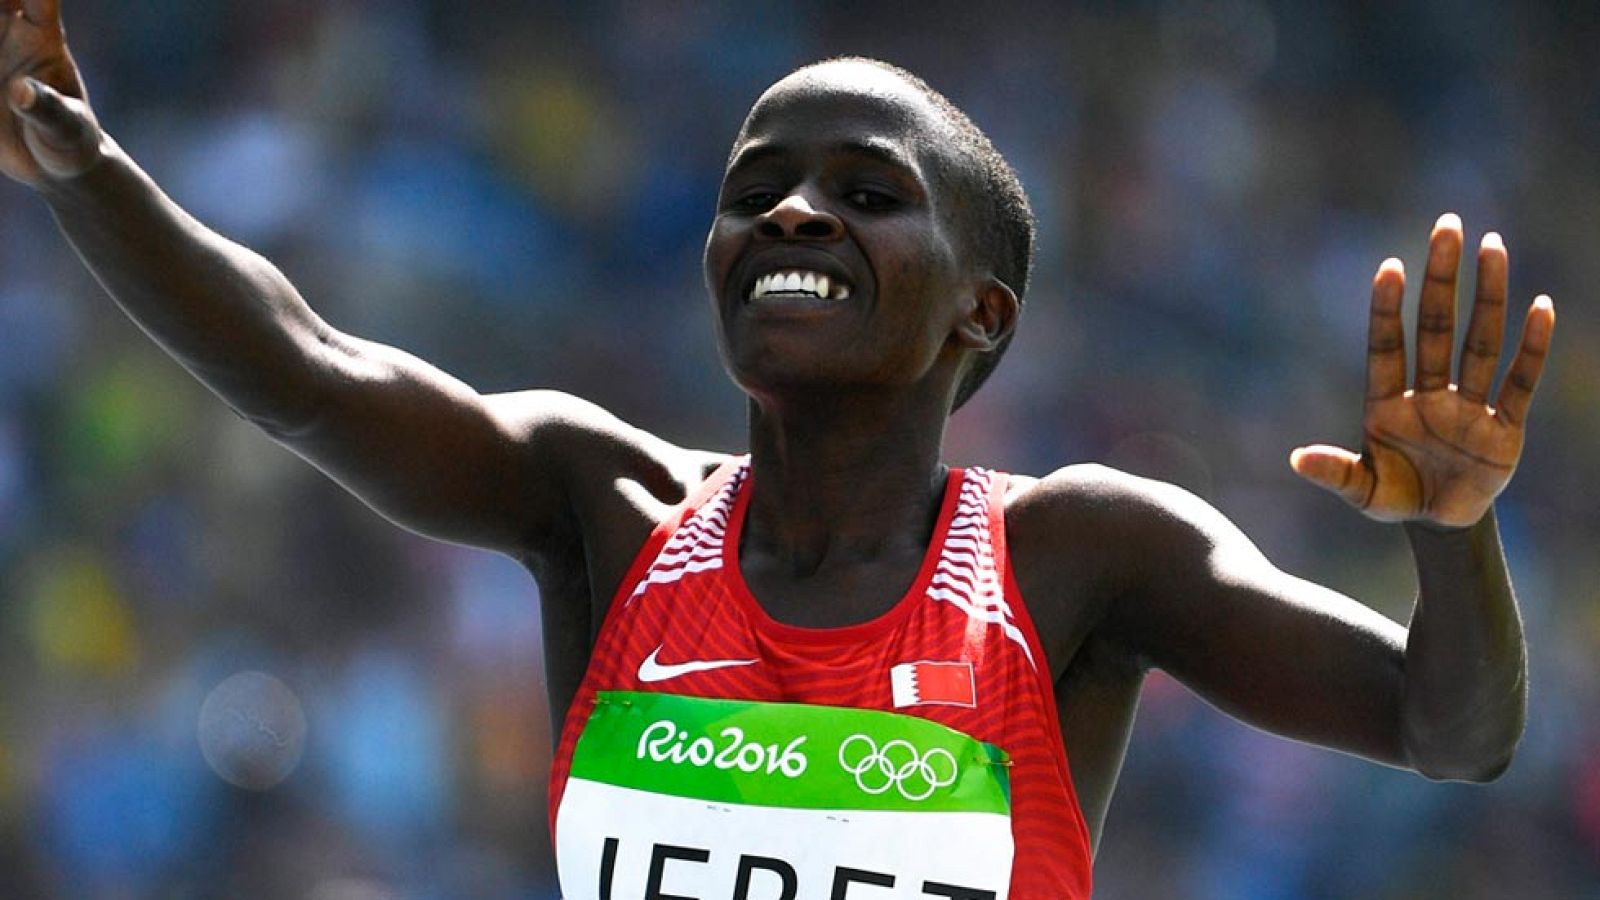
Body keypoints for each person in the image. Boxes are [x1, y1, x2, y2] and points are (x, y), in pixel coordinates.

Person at [1, 2, 1556, 897]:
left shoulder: (1078, 557)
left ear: (982, 311)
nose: (793, 214)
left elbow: (1452, 731)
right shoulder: (603, 507)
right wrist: (84, 164)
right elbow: (307, 374)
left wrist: (1452, 534)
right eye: (756, 191)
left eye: (866, 193)